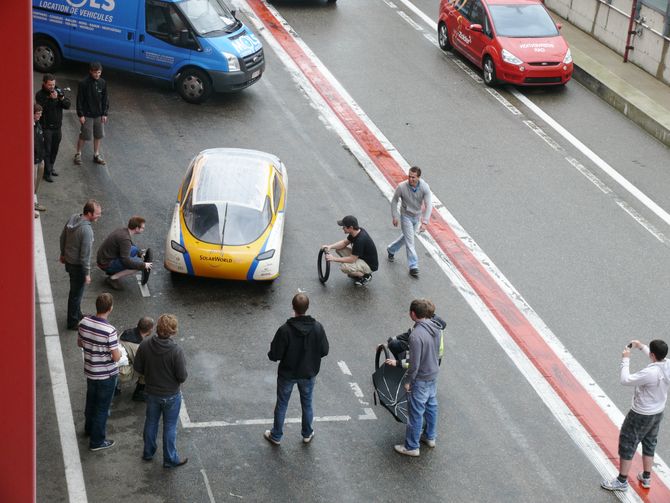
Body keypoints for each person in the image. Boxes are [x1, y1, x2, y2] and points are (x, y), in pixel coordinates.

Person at [601, 339, 670, 492]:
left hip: (640, 414)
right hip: (657, 413)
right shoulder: (667, 365)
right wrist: (641, 347)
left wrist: (625, 359)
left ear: (653, 354)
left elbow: (625, 380)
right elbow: (656, 357)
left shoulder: (650, 373)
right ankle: (646, 476)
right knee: (650, 443)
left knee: (627, 443)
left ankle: (622, 481)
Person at [264, 293, 329, 445]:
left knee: (282, 404)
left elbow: (275, 355)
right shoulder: (318, 328)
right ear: (307, 308)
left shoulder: (285, 330)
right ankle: (307, 433)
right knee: (307, 403)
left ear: (293, 307)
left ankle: (276, 435)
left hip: (287, 374)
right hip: (308, 374)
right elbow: (325, 350)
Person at [134, 314, 188, 468]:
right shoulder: (176, 351)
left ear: (157, 328)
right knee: (170, 427)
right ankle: (170, 459)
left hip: (151, 393)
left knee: (151, 422)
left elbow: (138, 368)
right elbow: (182, 376)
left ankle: (148, 452)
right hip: (171, 395)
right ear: (173, 331)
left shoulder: (145, 345)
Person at [392, 299, 443, 457]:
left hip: (420, 378)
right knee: (431, 406)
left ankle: (412, 446)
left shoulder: (416, 335)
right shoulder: (436, 328)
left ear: (413, 314)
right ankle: (430, 436)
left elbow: (414, 364)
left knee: (415, 413)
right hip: (433, 373)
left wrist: (408, 381)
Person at [78, 293, 121, 451]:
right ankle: (97, 441)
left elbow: (79, 343)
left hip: (90, 370)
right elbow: (116, 357)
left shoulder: (83, 322)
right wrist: (120, 354)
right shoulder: (110, 330)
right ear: (110, 308)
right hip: (106, 374)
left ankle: (89, 429)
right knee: (102, 408)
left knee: (91, 402)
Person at [60, 199, 102, 330]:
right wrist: (87, 273)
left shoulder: (73, 218)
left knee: (75, 292)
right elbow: (85, 256)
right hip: (78, 267)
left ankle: (77, 314)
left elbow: (62, 237)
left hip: (69, 261)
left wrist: (63, 254)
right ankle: (72, 322)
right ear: (89, 213)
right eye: (97, 214)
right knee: (76, 294)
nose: (99, 216)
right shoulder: (87, 231)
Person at [387, 166, 432, 278]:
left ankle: (391, 249)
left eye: (413, 177)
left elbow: (428, 205)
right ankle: (413, 266)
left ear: (419, 177)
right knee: (410, 241)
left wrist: (425, 222)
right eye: (409, 176)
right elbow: (394, 201)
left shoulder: (425, 187)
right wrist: (394, 216)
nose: (410, 179)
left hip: (416, 217)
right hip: (405, 216)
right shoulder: (402, 187)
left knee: (406, 238)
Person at [321, 215, 379, 287]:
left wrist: (334, 259)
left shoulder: (360, 240)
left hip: (369, 265)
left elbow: (352, 259)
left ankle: (366, 276)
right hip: (360, 257)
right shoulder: (356, 231)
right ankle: (356, 270)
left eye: (344, 227)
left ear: (351, 227)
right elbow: (344, 243)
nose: (342, 228)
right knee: (339, 249)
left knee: (345, 267)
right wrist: (330, 246)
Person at [96, 216, 153, 289]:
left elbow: (130, 244)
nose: (143, 229)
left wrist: (140, 254)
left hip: (105, 257)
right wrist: (143, 265)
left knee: (135, 249)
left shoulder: (123, 231)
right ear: (136, 228)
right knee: (137, 264)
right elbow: (126, 261)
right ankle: (112, 278)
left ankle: (113, 271)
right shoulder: (124, 239)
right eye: (142, 228)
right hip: (105, 263)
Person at [35, 73, 71, 181]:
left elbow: (67, 105)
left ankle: (50, 167)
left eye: (53, 84)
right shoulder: (40, 95)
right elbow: (43, 109)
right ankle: (46, 173)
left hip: (57, 127)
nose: (52, 87)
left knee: (55, 149)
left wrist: (61, 98)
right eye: (50, 85)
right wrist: (53, 100)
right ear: (44, 84)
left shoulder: (58, 91)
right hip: (46, 128)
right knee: (47, 150)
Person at [74, 61, 109, 166]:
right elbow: (79, 100)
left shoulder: (103, 83)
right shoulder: (83, 83)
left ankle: (96, 155)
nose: (97, 75)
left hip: (99, 114)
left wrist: (105, 113)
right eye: (95, 72)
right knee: (84, 135)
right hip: (87, 115)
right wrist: (81, 114)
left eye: (99, 72)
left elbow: (105, 99)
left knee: (98, 135)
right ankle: (78, 154)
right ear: (90, 72)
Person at [116, 316, 155, 401]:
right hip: (121, 372)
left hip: (113, 364)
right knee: (147, 369)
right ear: (150, 330)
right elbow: (141, 365)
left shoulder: (125, 333)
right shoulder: (138, 347)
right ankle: (139, 394)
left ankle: (116, 387)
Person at [33, 103, 46, 217]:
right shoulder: (30, 126)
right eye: (37, 113)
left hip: (40, 158)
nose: (39, 116)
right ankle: (29, 207)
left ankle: (33, 203)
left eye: (40, 113)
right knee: (31, 182)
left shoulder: (37, 124)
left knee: (37, 182)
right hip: (33, 160)